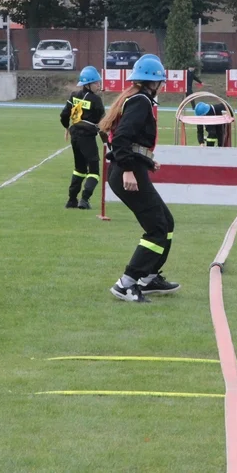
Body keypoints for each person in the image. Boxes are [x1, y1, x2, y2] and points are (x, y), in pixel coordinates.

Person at [99, 54, 180, 302]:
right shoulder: (142, 101)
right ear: (152, 83)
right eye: (161, 82)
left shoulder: (136, 98)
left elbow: (121, 139)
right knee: (157, 228)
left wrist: (145, 161)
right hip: (127, 173)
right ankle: (126, 283)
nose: (162, 86)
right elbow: (121, 138)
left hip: (132, 168)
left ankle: (148, 277)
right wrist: (128, 169)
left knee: (166, 223)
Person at [60, 66, 107, 210]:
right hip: (87, 138)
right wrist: (106, 142)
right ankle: (84, 199)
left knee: (79, 169)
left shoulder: (74, 96)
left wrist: (67, 128)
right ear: (88, 84)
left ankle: (72, 200)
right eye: (96, 83)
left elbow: (63, 115)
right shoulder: (96, 100)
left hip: (75, 137)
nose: (99, 85)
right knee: (94, 171)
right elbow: (102, 124)